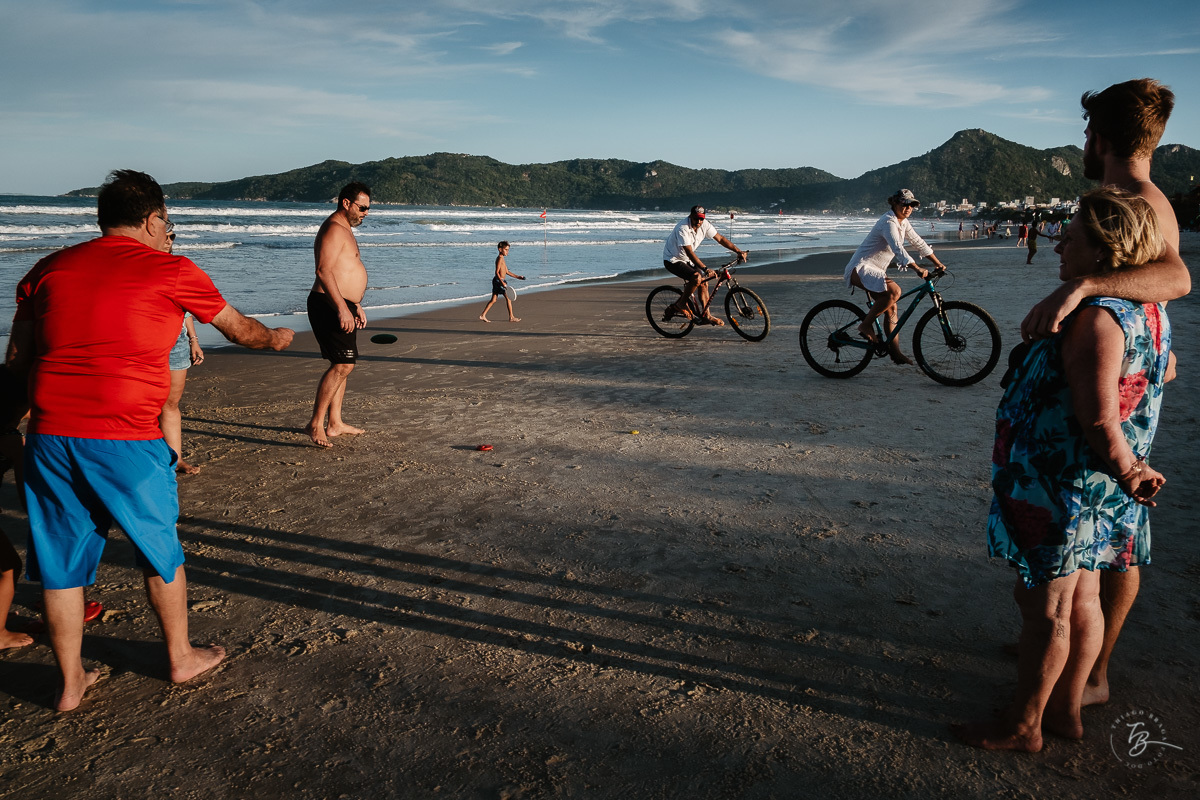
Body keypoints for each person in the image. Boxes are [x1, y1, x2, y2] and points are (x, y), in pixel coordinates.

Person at [7, 169, 294, 711]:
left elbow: (18, 360)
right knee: (158, 548)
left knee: (61, 563)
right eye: (166, 218)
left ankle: (70, 685)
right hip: (126, 436)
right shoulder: (173, 269)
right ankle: (180, 657)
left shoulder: (46, 269)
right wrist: (276, 338)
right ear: (152, 217)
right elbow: (238, 328)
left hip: (50, 433)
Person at [955, 188, 1172, 752]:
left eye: (1069, 236)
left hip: (1068, 484)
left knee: (1045, 608)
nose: (1057, 244)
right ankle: (1066, 712)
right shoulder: (1150, 310)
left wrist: (1128, 471)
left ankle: (1024, 724)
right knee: (1084, 601)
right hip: (1095, 486)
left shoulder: (1098, 318)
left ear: (1102, 252)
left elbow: (1100, 420)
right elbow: (1160, 373)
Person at [842, 189, 947, 364]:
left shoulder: (903, 223)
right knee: (894, 292)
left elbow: (918, 242)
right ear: (895, 204)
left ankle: (895, 352)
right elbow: (898, 248)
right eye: (904, 204)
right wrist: (917, 268)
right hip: (860, 269)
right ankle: (866, 325)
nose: (908, 208)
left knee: (891, 308)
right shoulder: (888, 222)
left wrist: (937, 263)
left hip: (875, 271)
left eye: (911, 205)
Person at [305, 182, 372, 448]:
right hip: (328, 304)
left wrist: (355, 304)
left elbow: (345, 271)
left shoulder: (344, 229)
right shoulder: (333, 229)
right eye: (363, 207)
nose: (366, 213)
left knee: (343, 363)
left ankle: (335, 422)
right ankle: (315, 423)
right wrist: (342, 308)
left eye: (368, 208)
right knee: (343, 364)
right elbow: (323, 271)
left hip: (341, 304)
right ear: (346, 203)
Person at [158, 231, 205, 474]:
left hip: (176, 343)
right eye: (166, 235)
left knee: (171, 404)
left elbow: (185, 311)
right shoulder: (137, 267)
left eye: (172, 236)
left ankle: (175, 459)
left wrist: (193, 340)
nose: (169, 240)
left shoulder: (177, 269)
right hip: (146, 343)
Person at [661, 205, 747, 326]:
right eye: (696, 219)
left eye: (701, 219)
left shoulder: (704, 224)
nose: (699, 222)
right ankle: (680, 304)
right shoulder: (683, 228)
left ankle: (707, 316)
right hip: (672, 260)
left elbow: (720, 239)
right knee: (697, 277)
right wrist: (705, 268)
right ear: (690, 216)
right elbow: (689, 252)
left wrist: (738, 251)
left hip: (686, 260)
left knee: (704, 282)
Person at [478, 241, 525, 323]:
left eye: (508, 250)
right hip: (499, 281)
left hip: (498, 281)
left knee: (493, 300)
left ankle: (483, 315)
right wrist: (502, 282)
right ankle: (511, 317)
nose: (507, 251)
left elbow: (507, 271)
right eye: (506, 250)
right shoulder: (499, 258)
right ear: (500, 249)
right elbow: (496, 272)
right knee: (508, 298)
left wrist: (518, 277)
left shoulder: (502, 258)